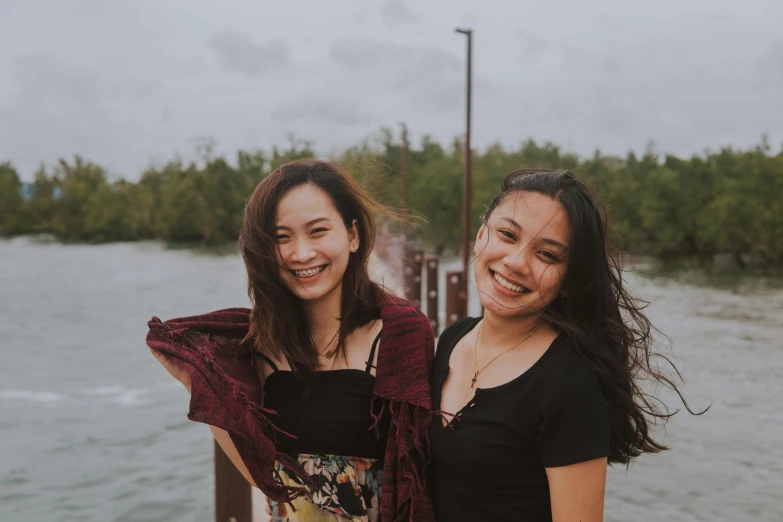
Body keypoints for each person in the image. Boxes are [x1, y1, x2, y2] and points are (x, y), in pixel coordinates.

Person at [147, 159, 436, 522]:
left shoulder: (398, 338)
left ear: (353, 235)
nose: (301, 253)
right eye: (282, 237)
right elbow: (265, 478)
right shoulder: (263, 348)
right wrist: (198, 385)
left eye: (317, 231)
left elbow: (428, 471)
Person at [429, 169, 701, 522]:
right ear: (481, 235)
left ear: (569, 281)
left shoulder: (571, 384)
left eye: (547, 255)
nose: (515, 262)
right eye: (507, 235)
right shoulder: (452, 339)